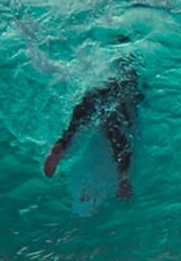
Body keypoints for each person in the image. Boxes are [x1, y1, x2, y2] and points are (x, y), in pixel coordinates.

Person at [43, 42, 143, 199]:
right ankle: (123, 177)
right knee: (116, 133)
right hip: (118, 92)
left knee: (82, 115)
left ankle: (63, 143)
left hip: (98, 89)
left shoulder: (108, 62)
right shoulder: (131, 71)